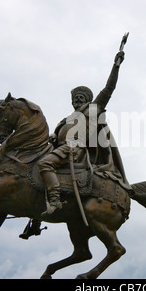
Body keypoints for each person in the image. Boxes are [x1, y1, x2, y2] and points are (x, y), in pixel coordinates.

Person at [19, 51, 127, 239]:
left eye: (81, 97)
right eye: (75, 97)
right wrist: (53, 136)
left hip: (74, 150)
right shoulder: (66, 119)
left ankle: (54, 202)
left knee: (44, 165)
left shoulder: (93, 110)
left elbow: (109, 88)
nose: (77, 100)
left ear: (87, 100)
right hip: (59, 148)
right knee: (32, 172)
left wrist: (116, 65)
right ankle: (35, 220)